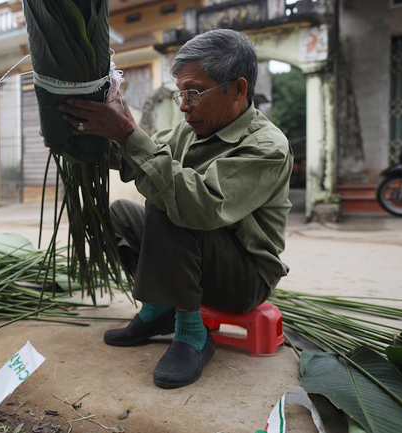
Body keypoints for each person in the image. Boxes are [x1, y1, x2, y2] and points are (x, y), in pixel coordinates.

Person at [58, 29, 293, 389]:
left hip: (242, 279)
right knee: (122, 215)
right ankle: (158, 311)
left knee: (171, 205)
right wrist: (82, 128)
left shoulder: (266, 146)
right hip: (200, 259)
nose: (184, 104)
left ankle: (192, 334)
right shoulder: (189, 130)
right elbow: (138, 154)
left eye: (195, 92)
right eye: (181, 93)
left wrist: (127, 135)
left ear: (238, 89)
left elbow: (199, 205)